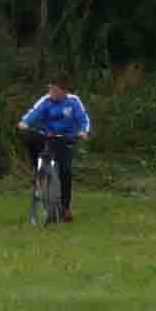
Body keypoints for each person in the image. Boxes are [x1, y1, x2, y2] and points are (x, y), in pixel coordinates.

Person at [21, 75, 93, 222]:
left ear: (63, 91)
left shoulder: (73, 101)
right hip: (48, 137)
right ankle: (37, 169)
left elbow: (83, 118)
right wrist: (25, 123)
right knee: (30, 138)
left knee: (65, 171)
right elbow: (33, 113)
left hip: (66, 138)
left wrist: (83, 131)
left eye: (54, 90)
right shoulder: (46, 101)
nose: (51, 93)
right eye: (50, 89)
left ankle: (65, 207)